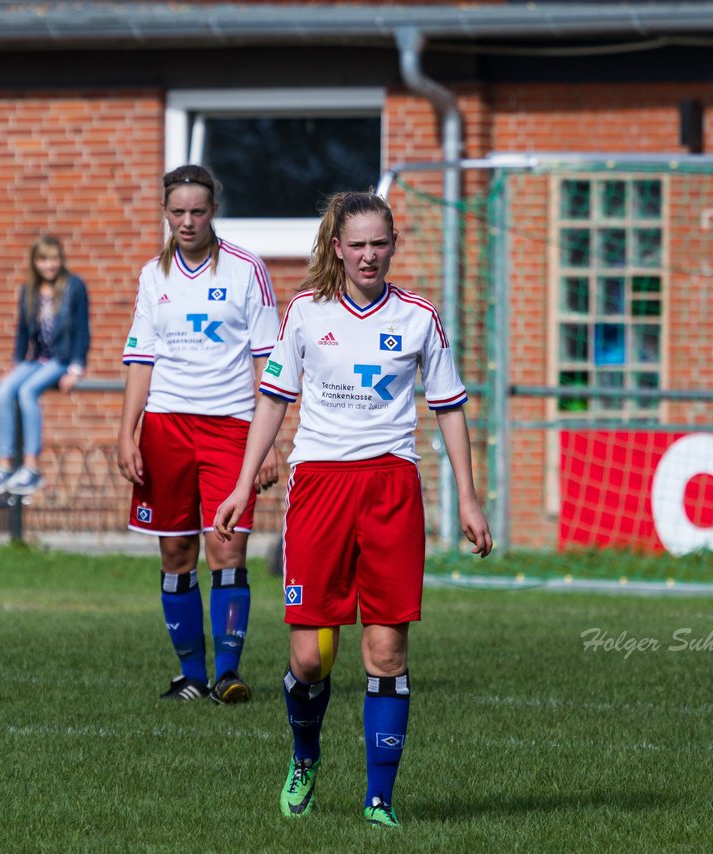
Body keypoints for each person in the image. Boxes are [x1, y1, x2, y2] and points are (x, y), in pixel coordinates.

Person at [213, 191, 493, 829]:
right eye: (357, 244)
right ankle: (305, 757)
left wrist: (468, 497)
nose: (369, 255)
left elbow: (448, 406)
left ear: (393, 246)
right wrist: (239, 483)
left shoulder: (421, 316)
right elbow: (274, 399)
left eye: (380, 243)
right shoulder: (306, 313)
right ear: (336, 246)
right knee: (310, 656)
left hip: (391, 486)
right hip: (319, 487)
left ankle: (379, 800)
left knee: (386, 652)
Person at [118, 164, 281, 705]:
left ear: (214, 211)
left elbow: (269, 364)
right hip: (165, 427)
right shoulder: (152, 276)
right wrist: (128, 432)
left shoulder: (246, 270)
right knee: (176, 554)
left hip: (232, 426)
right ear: (166, 212)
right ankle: (189, 674)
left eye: (198, 211)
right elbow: (141, 360)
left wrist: (270, 441)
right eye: (178, 211)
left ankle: (228, 673)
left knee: (226, 548)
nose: (187, 221)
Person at [0, 236, 90, 496]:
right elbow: (22, 331)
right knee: (5, 390)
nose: (49, 265)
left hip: (61, 360)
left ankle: (31, 467)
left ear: (61, 259)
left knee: (27, 392)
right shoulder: (29, 290)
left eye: (53, 258)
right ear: (35, 262)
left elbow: (82, 330)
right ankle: (5, 465)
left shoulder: (74, 286)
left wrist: (76, 367)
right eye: (43, 259)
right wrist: (15, 364)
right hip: (35, 359)